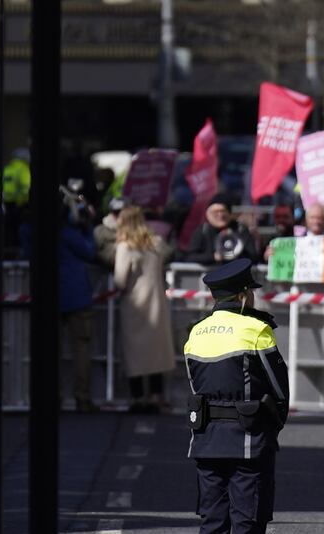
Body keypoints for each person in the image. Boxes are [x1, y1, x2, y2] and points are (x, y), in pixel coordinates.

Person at [185, 258, 289, 534]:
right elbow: (279, 390)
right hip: (248, 439)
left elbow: (195, 386)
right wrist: (275, 424)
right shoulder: (256, 330)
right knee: (248, 521)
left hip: (206, 440)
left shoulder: (195, 332)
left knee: (213, 521)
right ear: (243, 295)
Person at [114, 206, 175, 413]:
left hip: (134, 304)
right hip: (156, 302)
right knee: (155, 352)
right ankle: (156, 396)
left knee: (134, 353)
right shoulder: (156, 243)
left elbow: (120, 279)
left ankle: (138, 397)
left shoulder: (125, 246)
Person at [58, 186, 98, 412]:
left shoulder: (34, 230)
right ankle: (82, 398)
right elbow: (90, 251)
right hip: (77, 296)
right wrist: (86, 227)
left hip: (49, 297)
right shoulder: (70, 234)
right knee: (81, 349)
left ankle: (52, 397)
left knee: (48, 352)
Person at [183, 193, 259, 265]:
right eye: (215, 212)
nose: (220, 215)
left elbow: (252, 256)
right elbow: (191, 258)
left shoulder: (241, 229)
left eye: (223, 211)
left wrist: (233, 257)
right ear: (208, 215)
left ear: (230, 214)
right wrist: (214, 257)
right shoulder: (202, 231)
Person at [94, 197, 126, 268]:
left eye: (121, 211)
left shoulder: (133, 229)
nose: (119, 214)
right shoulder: (99, 230)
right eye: (116, 212)